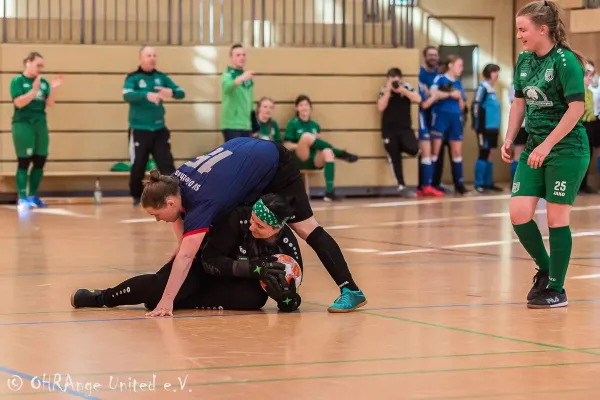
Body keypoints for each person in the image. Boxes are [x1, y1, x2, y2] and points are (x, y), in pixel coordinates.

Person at [140, 137, 367, 317]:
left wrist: (166, 301)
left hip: (275, 165)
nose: (158, 220)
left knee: (307, 228)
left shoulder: (203, 201)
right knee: (233, 219)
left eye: (157, 215)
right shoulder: (173, 181)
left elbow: (187, 256)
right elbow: (180, 214)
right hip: (248, 155)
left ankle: (350, 290)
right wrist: (181, 244)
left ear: (169, 202)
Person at [71, 194, 302, 314]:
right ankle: (101, 297)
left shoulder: (288, 250)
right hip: (201, 267)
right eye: (252, 220)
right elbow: (210, 260)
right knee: (156, 294)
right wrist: (254, 269)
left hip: (233, 283)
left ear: (277, 229)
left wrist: (285, 298)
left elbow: (291, 300)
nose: (252, 227)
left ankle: (183, 300)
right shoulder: (236, 219)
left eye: (260, 226)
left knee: (255, 300)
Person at [500, 0, 589, 309]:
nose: (519, 35)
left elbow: (577, 109)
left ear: (543, 29)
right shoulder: (524, 61)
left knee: (556, 218)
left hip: (565, 150)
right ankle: (545, 267)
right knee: (518, 213)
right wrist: (510, 137)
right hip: (535, 147)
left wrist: (548, 144)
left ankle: (557, 288)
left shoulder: (565, 62)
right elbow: (519, 102)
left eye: (523, 30)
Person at [123, 45, 185, 206]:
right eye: (148, 55)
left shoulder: (161, 77)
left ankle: (174, 194)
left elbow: (181, 91)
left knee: (166, 164)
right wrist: (146, 95)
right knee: (138, 165)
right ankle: (137, 196)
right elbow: (127, 94)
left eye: (154, 55)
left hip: (159, 129)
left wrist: (171, 92)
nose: (152, 58)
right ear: (141, 58)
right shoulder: (133, 77)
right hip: (139, 129)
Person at [10, 52, 62, 210]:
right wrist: (33, 91)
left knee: (40, 160)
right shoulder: (18, 81)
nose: (41, 69)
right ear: (28, 63)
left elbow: (50, 103)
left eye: (42, 66)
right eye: (38, 65)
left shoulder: (43, 82)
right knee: (24, 160)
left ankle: (33, 195)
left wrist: (52, 88)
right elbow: (18, 103)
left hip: (40, 124)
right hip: (23, 124)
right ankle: (22, 197)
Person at [284, 95, 359, 201]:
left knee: (328, 152)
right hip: (300, 157)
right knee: (306, 136)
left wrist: (311, 142)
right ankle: (340, 153)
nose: (304, 107)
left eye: (306, 105)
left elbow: (318, 145)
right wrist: (303, 143)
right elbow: (287, 145)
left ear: (310, 107)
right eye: (301, 105)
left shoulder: (315, 125)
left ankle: (329, 192)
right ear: (297, 108)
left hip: (313, 159)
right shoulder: (293, 123)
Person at [377, 68, 422, 198]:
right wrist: (388, 91)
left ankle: (398, 147)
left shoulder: (406, 87)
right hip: (389, 130)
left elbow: (418, 99)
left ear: (401, 79)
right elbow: (380, 107)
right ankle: (401, 185)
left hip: (405, 128)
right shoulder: (384, 89)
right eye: (392, 80)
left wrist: (402, 90)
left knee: (414, 150)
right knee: (395, 158)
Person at [430, 55, 470, 195]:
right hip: (440, 117)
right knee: (435, 151)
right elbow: (432, 93)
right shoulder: (440, 79)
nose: (461, 68)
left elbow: (462, 105)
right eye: (459, 65)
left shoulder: (458, 84)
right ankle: (432, 183)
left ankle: (459, 184)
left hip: (455, 120)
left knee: (457, 152)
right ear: (450, 65)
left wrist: (459, 98)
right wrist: (448, 94)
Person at [472, 63, 503, 193]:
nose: (497, 74)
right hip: (484, 128)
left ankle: (488, 182)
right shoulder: (482, 87)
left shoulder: (492, 89)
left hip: (493, 128)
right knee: (483, 153)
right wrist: (478, 126)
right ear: (488, 73)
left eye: (497, 71)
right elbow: (476, 106)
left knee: (490, 153)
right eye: (494, 71)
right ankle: (479, 183)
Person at [221, 44, 255, 142]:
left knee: (246, 155)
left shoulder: (247, 77)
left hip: (246, 125)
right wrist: (241, 78)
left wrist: (253, 123)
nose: (242, 57)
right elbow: (227, 88)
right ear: (231, 58)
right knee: (235, 155)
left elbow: (250, 102)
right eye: (238, 55)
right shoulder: (227, 75)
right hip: (232, 125)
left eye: (244, 55)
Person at [416, 82, 444, 197]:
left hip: (425, 121)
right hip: (420, 121)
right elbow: (424, 104)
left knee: (427, 155)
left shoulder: (422, 85)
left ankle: (426, 185)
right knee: (426, 154)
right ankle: (425, 186)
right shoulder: (417, 84)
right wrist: (435, 96)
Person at [579, 62, 598, 193]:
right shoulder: (577, 91)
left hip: (591, 125)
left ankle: (584, 185)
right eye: (587, 75)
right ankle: (578, 186)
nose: (590, 78)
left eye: (592, 75)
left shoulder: (590, 92)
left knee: (588, 155)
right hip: (580, 126)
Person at [508, 83, 529, 184]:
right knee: (518, 154)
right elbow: (516, 105)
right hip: (521, 125)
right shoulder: (516, 85)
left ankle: (522, 182)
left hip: (531, 125)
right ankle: (515, 182)